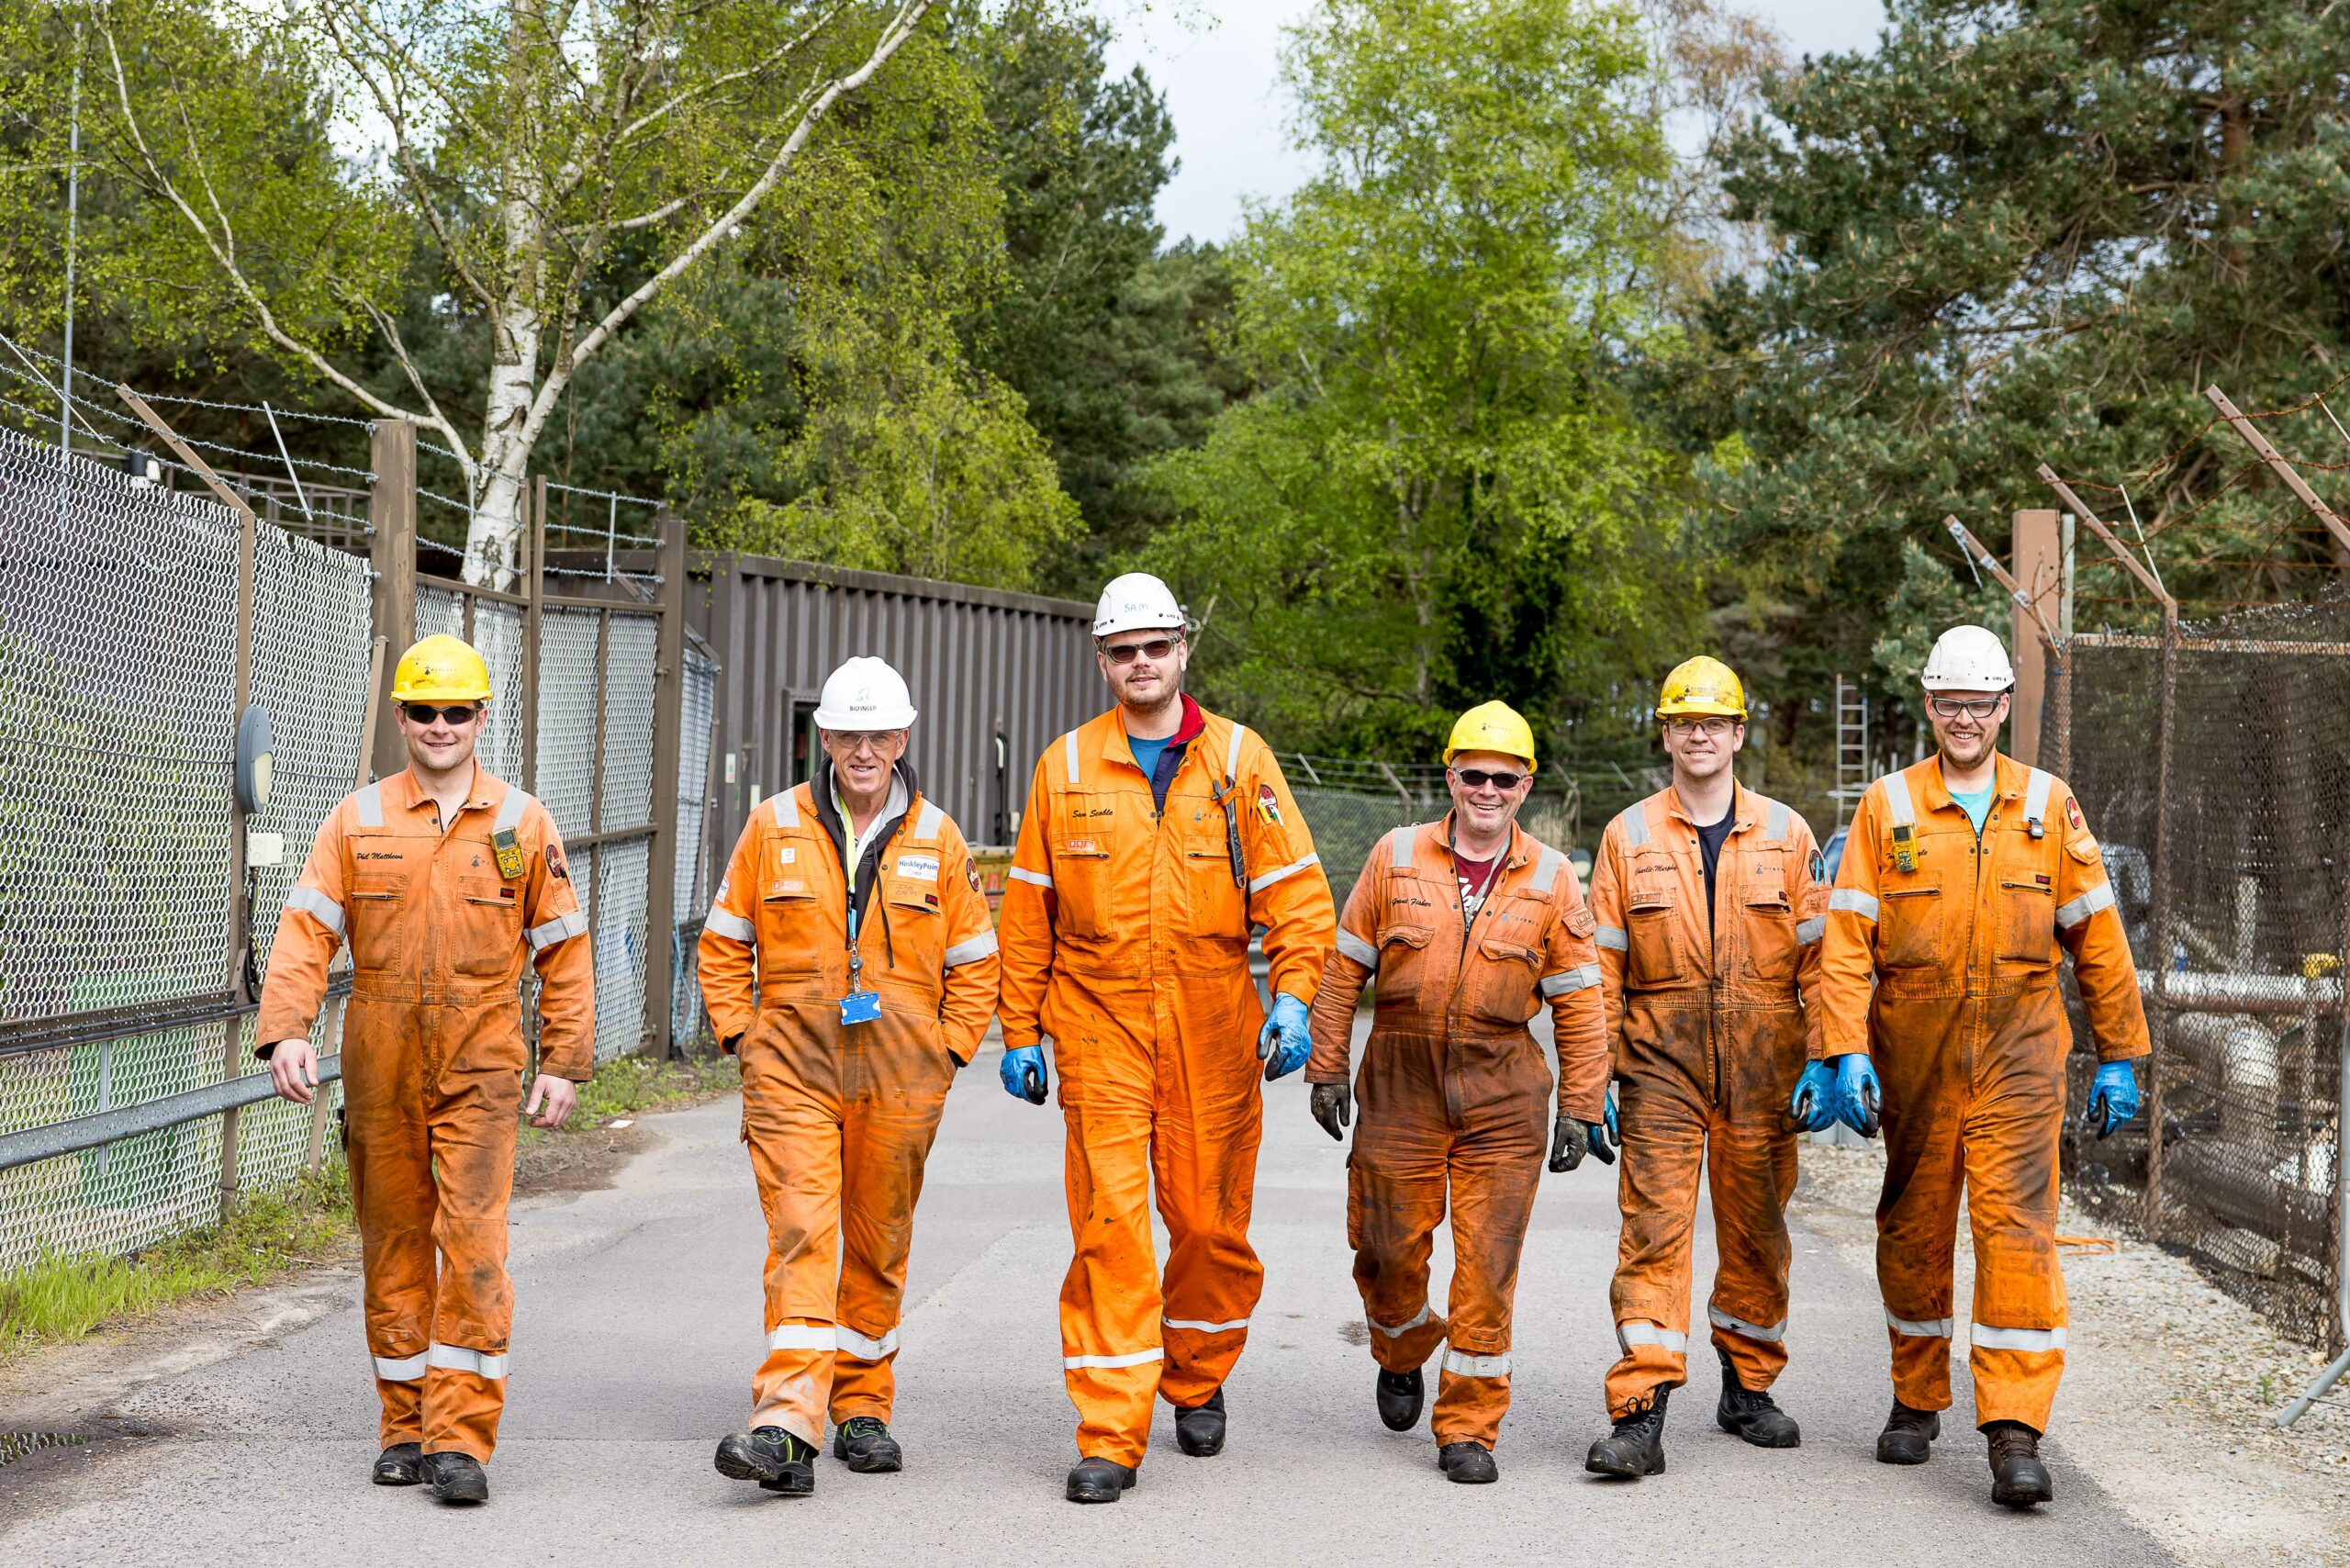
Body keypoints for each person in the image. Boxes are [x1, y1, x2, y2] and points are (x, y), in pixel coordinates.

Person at [996, 572, 1337, 1503]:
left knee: (1210, 1225)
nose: (1140, 662)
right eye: (1123, 650)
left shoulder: (1239, 760)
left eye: (1155, 646)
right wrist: (1019, 1028)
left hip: (1213, 1028)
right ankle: (1111, 1431)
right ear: (1102, 660)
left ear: (1183, 649)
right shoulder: (1065, 766)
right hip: (1098, 1024)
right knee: (1110, 1229)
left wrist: (1293, 999)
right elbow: (1027, 914)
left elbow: (1297, 897)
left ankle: (1196, 1373)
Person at [258, 633, 593, 1505]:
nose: (440, 726)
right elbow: (306, 930)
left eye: (456, 712)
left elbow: (563, 948)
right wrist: (287, 1029)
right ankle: (404, 1428)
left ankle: (460, 1441)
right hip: (381, 1051)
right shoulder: (357, 819)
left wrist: (564, 1059)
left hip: (482, 1053)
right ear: (401, 720)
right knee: (394, 1240)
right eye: (423, 712)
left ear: (481, 719)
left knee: (474, 1245)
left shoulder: (523, 823)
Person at [1820, 624, 2146, 1507]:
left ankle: (2014, 1429)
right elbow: (1846, 942)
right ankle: (1916, 1396)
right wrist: (1841, 1048)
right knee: (1913, 1229)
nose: (1964, 718)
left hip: (2021, 1056)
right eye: (1949, 703)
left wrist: (2120, 1054)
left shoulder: (2048, 805)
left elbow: (2098, 936)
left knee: (2017, 1236)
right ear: (1930, 706)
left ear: (2003, 707)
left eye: (1979, 704)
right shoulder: (1886, 806)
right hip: (1915, 1058)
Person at [697, 656, 999, 1497]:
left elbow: (977, 960)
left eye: (880, 736)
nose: (864, 751)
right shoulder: (772, 826)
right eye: (848, 735)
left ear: (903, 739)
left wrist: (948, 1052)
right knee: (802, 1230)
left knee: (878, 1240)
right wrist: (744, 1038)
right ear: (823, 738)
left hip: (902, 1079)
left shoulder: (939, 839)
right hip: (791, 1072)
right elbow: (723, 943)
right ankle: (788, 1423)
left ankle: (862, 1408)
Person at [1304, 701, 1611, 1485]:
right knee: (1385, 1249)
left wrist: (1581, 1104)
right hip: (1400, 1087)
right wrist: (1327, 1064)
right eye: (1474, 775)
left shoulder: (1551, 876)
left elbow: (1581, 1001)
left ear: (1526, 786)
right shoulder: (1396, 854)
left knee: (1488, 1267)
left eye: (1504, 779)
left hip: (1503, 1094)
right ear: (1451, 777)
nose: (1487, 790)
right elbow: (1344, 968)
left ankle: (1469, 1426)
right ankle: (1401, 1346)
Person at [1582, 657, 1828, 1480]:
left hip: (1766, 1069)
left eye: (1713, 723)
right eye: (1685, 722)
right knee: (1652, 1232)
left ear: (1738, 735)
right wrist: (1593, 1078)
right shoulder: (1628, 837)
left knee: (1759, 1234)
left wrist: (1828, 1057)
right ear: (1665, 734)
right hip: (1661, 1064)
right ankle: (1640, 1412)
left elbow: (1821, 963)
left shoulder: (1789, 835)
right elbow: (1599, 972)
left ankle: (1748, 1388)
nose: (1699, 735)